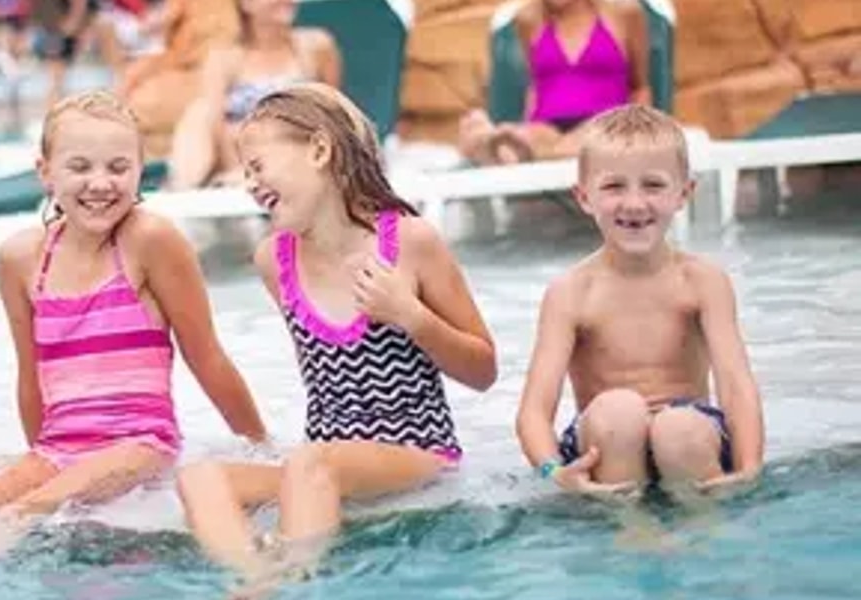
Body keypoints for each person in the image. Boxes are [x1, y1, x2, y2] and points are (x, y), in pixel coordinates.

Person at [0, 90, 268, 600]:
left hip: (139, 443)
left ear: (140, 171)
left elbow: (206, 356)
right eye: (79, 167)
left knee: (24, 510)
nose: (100, 183)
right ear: (46, 172)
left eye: (118, 167)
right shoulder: (21, 260)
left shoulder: (151, 240)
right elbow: (30, 374)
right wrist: (35, 458)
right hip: (59, 445)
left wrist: (258, 446)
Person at [176, 84, 497, 586]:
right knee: (201, 477)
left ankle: (290, 581)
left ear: (320, 150)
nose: (250, 184)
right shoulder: (274, 260)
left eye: (257, 166)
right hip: (323, 464)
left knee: (312, 463)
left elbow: (483, 370)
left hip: (415, 450)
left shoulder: (409, 242)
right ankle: (255, 578)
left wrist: (411, 315)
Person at [514, 104, 765, 502]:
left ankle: (707, 525)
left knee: (678, 429)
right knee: (619, 412)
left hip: (690, 440)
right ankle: (629, 529)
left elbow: (736, 386)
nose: (634, 203)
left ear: (684, 193)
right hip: (605, 442)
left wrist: (750, 469)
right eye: (614, 186)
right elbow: (534, 409)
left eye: (653, 185)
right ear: (583, 197)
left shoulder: (703, 282)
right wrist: (553, 471)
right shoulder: (571, 293)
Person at [165, 0, 341, 190]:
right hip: (242, 166)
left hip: (303, 158)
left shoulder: (316, 47)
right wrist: (239, 173)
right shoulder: (225, 58)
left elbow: (333, 112)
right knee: (200, 114)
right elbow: (215, 124)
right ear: (245, 4)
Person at [458, 0, 650, 165]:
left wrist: (642, 134)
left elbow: (640, 87)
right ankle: (496, 143)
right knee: (514, 139)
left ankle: (521, 152)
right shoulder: (527, 18)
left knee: (592, 138)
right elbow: (535, 85)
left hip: (605, 123)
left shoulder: (624, 12)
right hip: (547, 126)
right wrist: (528, 130)